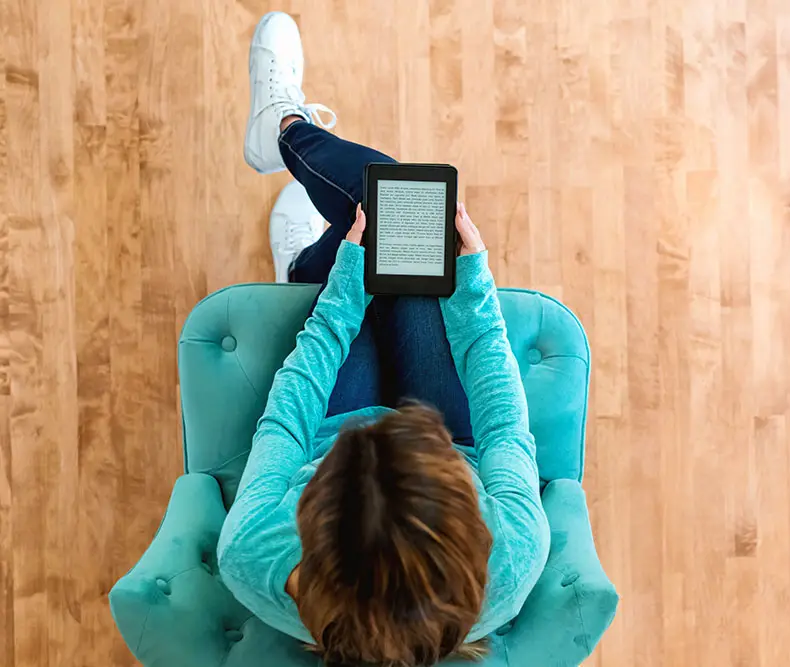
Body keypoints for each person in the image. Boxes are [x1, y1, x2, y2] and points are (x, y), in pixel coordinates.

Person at [216, 12, 551, 667]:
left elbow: (287, 424)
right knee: (407, 219)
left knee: (383, 217)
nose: (388, 421)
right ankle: (295, 193)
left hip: (329, 417)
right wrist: (469, 282)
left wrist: (346, 285)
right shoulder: (511, 556)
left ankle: (288, 147)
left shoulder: (251, 550)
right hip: (448, 429)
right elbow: (502, 424)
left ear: (311, 518)